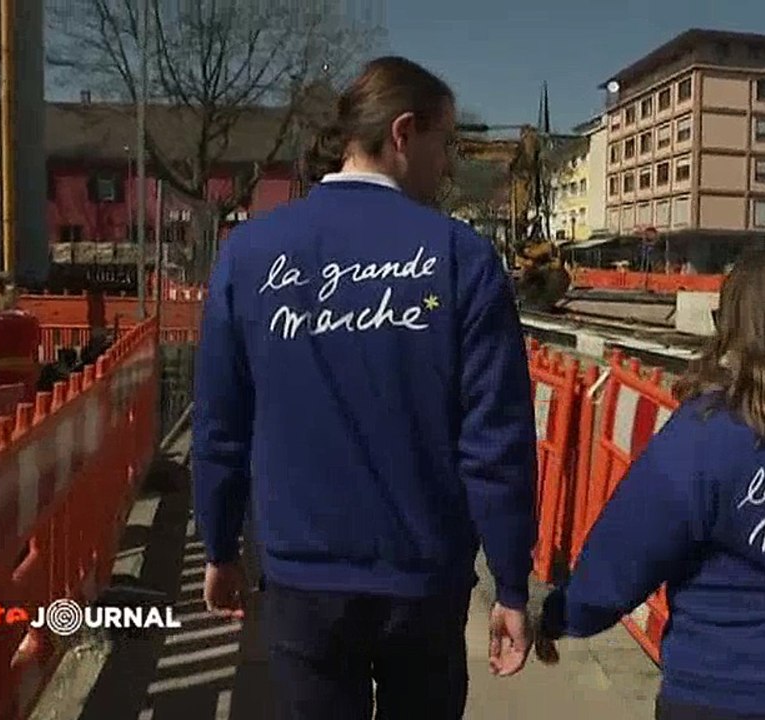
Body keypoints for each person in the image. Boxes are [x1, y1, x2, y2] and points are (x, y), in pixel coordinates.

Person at [192, 56, 538, 719]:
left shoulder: (250, 254)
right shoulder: (461, 259)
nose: (450, 167)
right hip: (424, 583)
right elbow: (496, 442)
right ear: (403, 134)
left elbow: (220, 424)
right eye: (446, 145)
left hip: (301, 579)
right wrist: (512, 586)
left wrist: (218, 545)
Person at [538, 248, 765, 720]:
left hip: (722, 690)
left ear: (740, 332)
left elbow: (625, 555)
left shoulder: (705, 437)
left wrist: (560, 616)